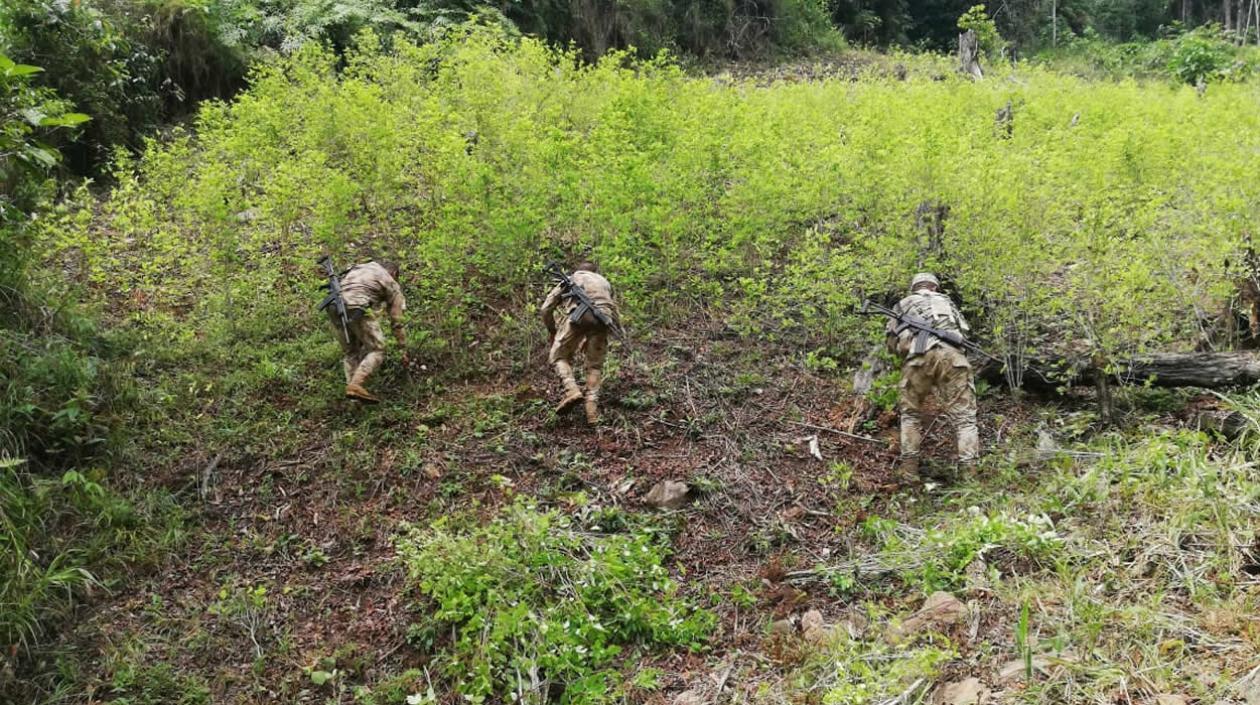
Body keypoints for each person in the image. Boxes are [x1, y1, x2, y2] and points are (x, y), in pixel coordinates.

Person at [886, 272, 978, 482]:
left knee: (910, 416)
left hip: (918, 357)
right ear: (935, 287)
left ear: (914, 288)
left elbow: (892, 344)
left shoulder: (902, 304)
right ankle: (970, 476)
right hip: (953, 357)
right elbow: (963, 334)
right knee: (964, 420)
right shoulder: (948, 303)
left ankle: (909, 474)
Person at [541, 262, 619, 424]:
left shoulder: (572, 278)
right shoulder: (604, 282)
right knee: (595, 366)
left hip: (578, 318)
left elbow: (546, 307)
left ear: (579, 270)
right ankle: (592, 412)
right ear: (595, 272)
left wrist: (552, 330)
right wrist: (615, 331)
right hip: (603, 321)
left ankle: (571, 390)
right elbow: (614, 310)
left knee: (558, 356)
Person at [328, 260, 409, 403]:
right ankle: (357, 384)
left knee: (351, 352)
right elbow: (397, 320)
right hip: (358, 306)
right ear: (394, 273)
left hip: (334, 306)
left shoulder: (359, 268)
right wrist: (402, 348)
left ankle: (354, 401)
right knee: (378, 349)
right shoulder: (390, 281)